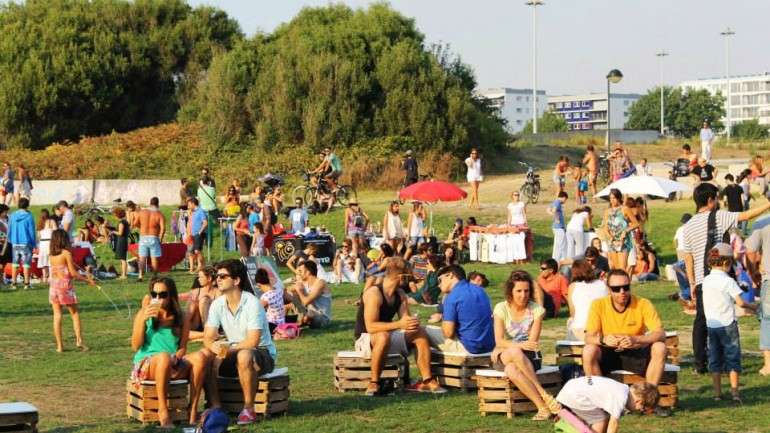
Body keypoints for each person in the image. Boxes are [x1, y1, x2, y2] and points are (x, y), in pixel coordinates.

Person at [682, 182, 770, 373]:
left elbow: (687, 258)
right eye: (716, 198)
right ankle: (723, 360)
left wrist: (692, 283)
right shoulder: (719, 216)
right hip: (720, 276)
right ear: (710, 200)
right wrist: (768, 205)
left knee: (702, 320)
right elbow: (746, 215)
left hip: (701, 279)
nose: (719, 201)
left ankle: (700, 363)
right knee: (724, 318)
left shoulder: (688, 226)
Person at [354, 257, 446, 395]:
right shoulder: (374, 293)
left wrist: (411, 323)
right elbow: (370, 327)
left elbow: (405, 321)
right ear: (401, 276)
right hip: (365, 338)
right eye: (409, 276)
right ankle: (374, 383)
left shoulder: (400, 294)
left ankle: (427, 381)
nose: (412, 280)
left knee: (419, 333)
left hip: (386, 334)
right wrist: (399, 324)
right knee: (382, 336)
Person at [203, 259, 276, 425]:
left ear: (236, 280)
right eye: (216, 276)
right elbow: (208, 337)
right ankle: (216, 407)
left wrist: (225, 351)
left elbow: (253, 341)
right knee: (204, 356)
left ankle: (249, 409)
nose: (217, 280)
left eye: (222, 276)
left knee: (244, 355)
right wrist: (213, 347)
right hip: (233, 350)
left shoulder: (252, 303)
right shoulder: (217, 304)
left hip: (261, 352)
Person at [131, 277, 210, 426]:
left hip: (172, 362)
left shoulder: (182, 317)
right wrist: (143, 320)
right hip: (147, 364)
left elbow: (182, 348)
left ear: (171, 295)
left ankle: (192, 410)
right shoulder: (144, 314)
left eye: (163, 295)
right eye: (154, 294)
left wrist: (177, 356)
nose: (157, 298)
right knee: (163, 357)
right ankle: (163, 410)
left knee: (200, 357)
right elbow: (135, 346)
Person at [491, 270, 561, 421]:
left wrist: (507, 345)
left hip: (528, 357)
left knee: (511, 368)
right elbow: (499, 340)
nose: (523, 295)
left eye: (526, 291)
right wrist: (512, 345)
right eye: (519, 291)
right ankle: (543, 392)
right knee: (515, 351)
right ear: (510, 291)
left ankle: (542, 408)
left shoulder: (536, 310)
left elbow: (532, 343)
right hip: (505, 356)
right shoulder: (501, 308)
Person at [583, 269, 667, 387]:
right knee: (588, 351)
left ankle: (648, 397)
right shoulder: (598, 305)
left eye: (626, 287)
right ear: (609, 289)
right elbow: (588, 337)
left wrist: (636, 339)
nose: (622, 292)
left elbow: (660, 334)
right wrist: (604, 340)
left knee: (660, 347)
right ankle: (598, 396)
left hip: (635, 351)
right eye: (616, 289)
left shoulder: (643, 303)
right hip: (608, 351)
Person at [701, 243, 756, 403]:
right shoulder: (728, 281)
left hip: (712, 325)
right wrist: (754, 307)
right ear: (726, 263)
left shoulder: (706, 280)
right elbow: (740, 302)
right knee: (732, 358)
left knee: (715, 359)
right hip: (728, 324)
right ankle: (735, 393)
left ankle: (717, 394)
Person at [425, 264, 495, 355]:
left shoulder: (452, 296)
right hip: (489, 346)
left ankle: (425, 368)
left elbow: (448, 333)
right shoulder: (480, 290)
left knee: (420, 331)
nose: (439, 285)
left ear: (450, 275)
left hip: (469, 348)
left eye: (440, 280)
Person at [556, 376, 659, 433]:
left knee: (601, 416)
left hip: (571, 387)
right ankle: (566, 418)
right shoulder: (621, 397)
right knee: (601, 420)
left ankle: (568, 418)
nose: (638, 411)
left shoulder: (622, 387)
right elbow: (613, 425)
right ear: (639, 401)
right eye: (642, 409)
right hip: (576, 396)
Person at [49, 229, 93, 352]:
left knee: (57, 315)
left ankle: (59, 346)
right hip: (65, 287)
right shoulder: (66, 254)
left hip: (53, 287)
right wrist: (87, 280)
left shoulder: (52, 255)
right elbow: (73, 273)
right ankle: (79, 341)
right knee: (74, 313)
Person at [743, 223, 770, 377]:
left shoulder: (763, 223)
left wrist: (753, 272)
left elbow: (751, 252)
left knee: (767, 320)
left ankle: (768, 365)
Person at [566, 259, 608, 341]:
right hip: (601, 330)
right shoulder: (603, 284)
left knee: (570, 321)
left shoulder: (573, 286)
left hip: (581, 330)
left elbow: (572, 313)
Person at [287, 260, 332, 328]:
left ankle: (299, 321)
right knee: (292, 295)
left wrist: (299, 290)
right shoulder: (304, 283)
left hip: (321, 318)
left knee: (310, 313)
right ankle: (287, 321)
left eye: (301, 271)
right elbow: (286, 291)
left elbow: (306, 302)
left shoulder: (320, 283)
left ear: (308, 272)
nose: (299, 273)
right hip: (309, 313)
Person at [602, 189, 638, 271]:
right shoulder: (607, 211)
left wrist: (626, 231)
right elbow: (605, 227)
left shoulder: (625, 209)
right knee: (615, 268)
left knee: (622, 268)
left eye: (614, 198)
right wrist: (609, 237)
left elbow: (636, 223)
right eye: (610, 198)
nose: (612, 200)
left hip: (623, 240)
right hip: (612, 241)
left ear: (619, 198)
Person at [8, 197, 36, 289]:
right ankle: (26, 284)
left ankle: (14, 283)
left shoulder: (12, 215)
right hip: (26, 242)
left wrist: (10, 239)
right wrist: (34, 243)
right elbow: (31, 231)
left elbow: (10, 228)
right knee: (26, 264)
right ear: (27, 205)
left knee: (15, 263)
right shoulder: (29, 216)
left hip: (15, 242)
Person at [137, 197, 165, 282]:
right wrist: (160, 238)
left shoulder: (142, 212)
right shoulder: (159, 214)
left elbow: (135, 223)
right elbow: (163, 228)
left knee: (142, 258)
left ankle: (140, 276)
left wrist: (142, 228)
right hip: (154, 237)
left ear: (150, 203)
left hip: (143, 237)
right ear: (158, 204)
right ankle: (154, 276)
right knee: (154, 258)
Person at [256, 268, 285, 334]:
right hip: (282, 323)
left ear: (258, 285)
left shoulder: (265, 297)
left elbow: (256, 312)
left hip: (272, 325)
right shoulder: (279, 290)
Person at [187, 197, 208, 274]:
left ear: (193, 204)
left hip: (198, 234)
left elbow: (205, 222)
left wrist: (200, 232)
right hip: (193, 234)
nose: (188, 206)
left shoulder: (200, 211)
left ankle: (202, 266)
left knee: (197, 251)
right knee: (195, 251)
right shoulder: (194, 212)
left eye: (189, 204)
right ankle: (202, 266)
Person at [547, 191, 568, 261]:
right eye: (565, 199)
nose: (565, 201)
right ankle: (560, 259)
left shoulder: (554, 202)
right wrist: (556, 218)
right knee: (562, 244)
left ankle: (555, 258)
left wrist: (554, 216)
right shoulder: (558, 202)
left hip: (556, 227)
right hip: (558, 227)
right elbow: (553, 210)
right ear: (563, 197)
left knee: (557, 244)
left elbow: (548, 210)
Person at [37, 210, 56, 284]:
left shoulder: (40, 223)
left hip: (42, 243)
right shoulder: (51, 221)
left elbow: (38, 236)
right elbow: (55, 231)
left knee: (43, 260)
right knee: (51, 260)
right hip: (50, 242)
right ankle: (50, 277)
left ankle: (44, 277)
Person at [112, 207, 130, 279]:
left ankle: (124, 275)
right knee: (122, 258)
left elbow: (120, 233)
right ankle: (123, 273)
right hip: (124, 240)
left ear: (117, 215)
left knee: (123, 259)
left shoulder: (121, 222)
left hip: (121, 241)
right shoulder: (125, 221)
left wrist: (113, 232)